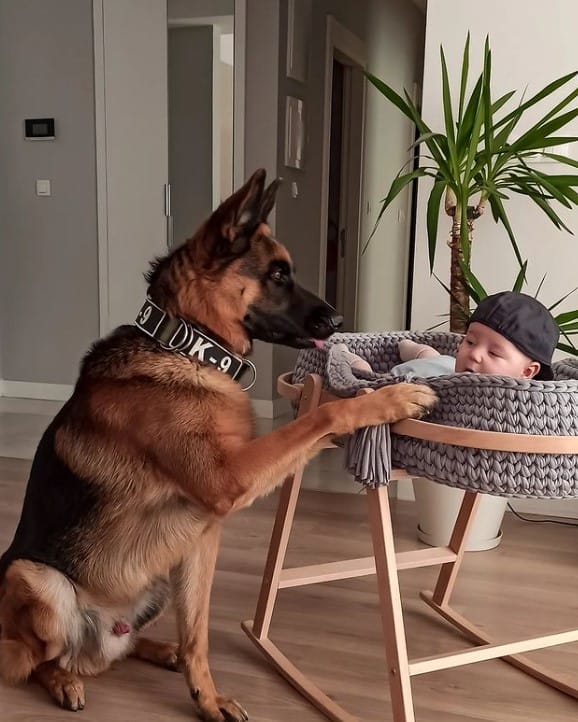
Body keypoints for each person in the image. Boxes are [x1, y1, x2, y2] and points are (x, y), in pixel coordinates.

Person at [338, 291, 560, 381]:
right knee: (370, 382)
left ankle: (355, 361)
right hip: (415, 375)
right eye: (470, 341)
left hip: (434, 368)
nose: (474, 354)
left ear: (527, 372)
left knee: (432, 359)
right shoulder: (447, 367)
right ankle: (349, 356)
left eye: (494, 352)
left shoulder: (530, 407)